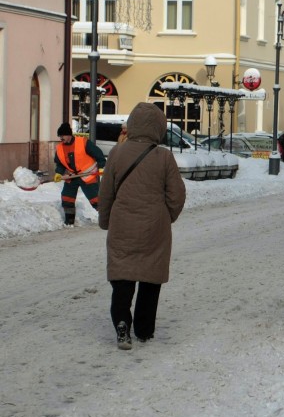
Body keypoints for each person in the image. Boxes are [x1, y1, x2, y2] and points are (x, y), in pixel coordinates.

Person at [98, 103, 186, 350]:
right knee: (150, 279)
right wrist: (167, 216)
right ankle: (145, 330)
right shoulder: (164, 156)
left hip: (122, 224)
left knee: (122, 277)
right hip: (154, 227)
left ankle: (122, 325)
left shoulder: (117, 152)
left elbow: (106, 193)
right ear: (160, 128)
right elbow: (177, 195)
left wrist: (105, 220)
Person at [54, 122, 106, 226]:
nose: (61, 138)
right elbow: (60, 163)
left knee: (95, 199)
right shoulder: (59, 148)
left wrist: (101, 167)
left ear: (69, 135)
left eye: (62, 135)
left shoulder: (83, 142)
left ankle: (106, 218)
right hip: (72, 176)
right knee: (67, 198)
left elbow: (99, 154)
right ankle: (69, 222)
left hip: (88, 175)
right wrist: (58, 173)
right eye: (59, 136)